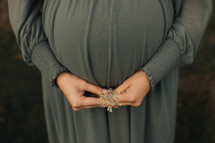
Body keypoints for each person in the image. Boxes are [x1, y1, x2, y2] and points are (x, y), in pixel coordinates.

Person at [8, 0, 212, 143]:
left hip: (153, 90)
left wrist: (156, 70)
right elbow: (23, 16)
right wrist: (56, 73)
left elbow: (195, 6)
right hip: (67, 95)